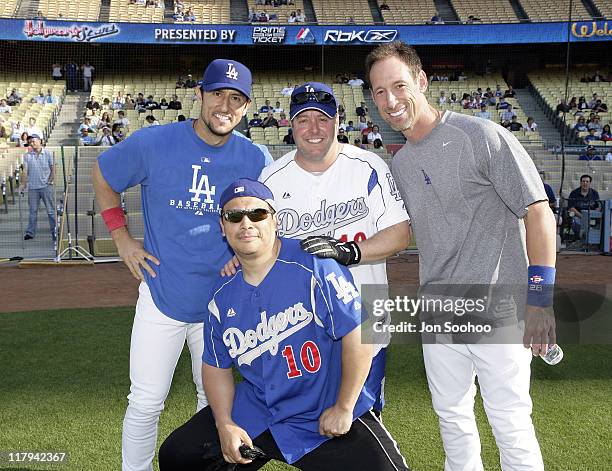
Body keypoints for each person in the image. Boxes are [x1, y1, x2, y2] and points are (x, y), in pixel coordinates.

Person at [366, 41, 556, 471]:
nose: (391, 100)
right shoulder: (400, 164)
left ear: (421, 81)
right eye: (379, 91)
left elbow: (539, 213)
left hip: (497, 306)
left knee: (510, 424)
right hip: (438, 309)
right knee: (452, 421)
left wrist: (540, 299)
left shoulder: (481, 136)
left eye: (398, 85)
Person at [92, 59, 272, 471]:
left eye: (236, 99)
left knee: (212, 406)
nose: (225, 105)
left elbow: (269, 219)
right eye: (217, 94)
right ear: (200, 95)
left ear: (245, 107)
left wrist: (241, 256)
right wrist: (121, 238)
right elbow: (103, 176)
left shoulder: (257, 158)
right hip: (162, 296)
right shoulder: (154, 142)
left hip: (221, 305)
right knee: (145, 401)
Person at [159, 179, 411, 471]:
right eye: (234, 216)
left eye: (257, 214)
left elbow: (358, 334)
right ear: (222, 227)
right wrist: (225, 423)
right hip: (260, 411)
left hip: (322, 411)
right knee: (179, 455)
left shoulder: (314, 264)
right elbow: (216, 365)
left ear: (275, 221)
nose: (246, 223)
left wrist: (344, 407)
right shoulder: (222, 292)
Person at [255, 82, 410, 414]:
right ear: (290, 124)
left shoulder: (369, 167)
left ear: (338, 120)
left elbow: (400, 234)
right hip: (299, 328)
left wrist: (350, 252)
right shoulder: (270, 178)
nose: (314, 129)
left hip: (367, 320)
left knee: (364, 427)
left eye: (322, 119)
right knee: (306, 429)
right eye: (303, 119)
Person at [22, 135, 56, 242]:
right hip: (33, 188)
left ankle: (55, 232)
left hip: (46, 187)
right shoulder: (27, 156)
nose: (32, 143)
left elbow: (53, 169)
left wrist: (49, 181)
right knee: (33, 211)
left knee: (50, 211)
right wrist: (23, 184)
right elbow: (25, 171)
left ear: (40, 141)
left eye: (34, 141)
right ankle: (30, 232)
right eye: (30, 142)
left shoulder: (48, 153)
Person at [567, 174, 600, 240]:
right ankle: (580, 240)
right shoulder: (574, 193)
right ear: (580, 182)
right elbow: (571, 208)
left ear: (590, 183)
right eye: (583, 181)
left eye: (587, 182)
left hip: (591, 216)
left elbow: (598, 207)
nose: (585, 183)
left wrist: (591, 216)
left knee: (600, 222)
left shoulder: (595, 193)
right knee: (576, 222)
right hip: (578, 216)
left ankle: (593, 241)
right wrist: (583, 217)